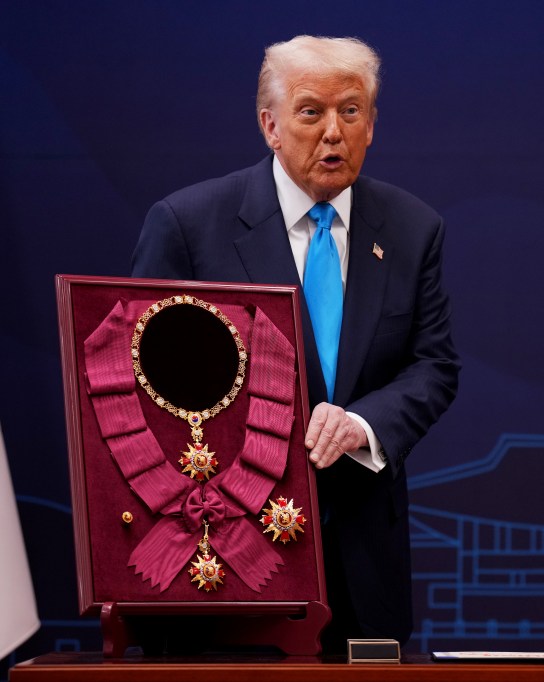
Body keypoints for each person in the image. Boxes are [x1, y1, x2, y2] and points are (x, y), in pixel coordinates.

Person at [132, 35, 460, 651]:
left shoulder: (415, 229)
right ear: (270, 126)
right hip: (221, 558)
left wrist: (364, 424)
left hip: (363, 566)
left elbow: (434, 364)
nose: (333, 132)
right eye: (311, 112)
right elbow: (141, 388)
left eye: (351, 111)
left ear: (372, 125)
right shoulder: (188, 225)